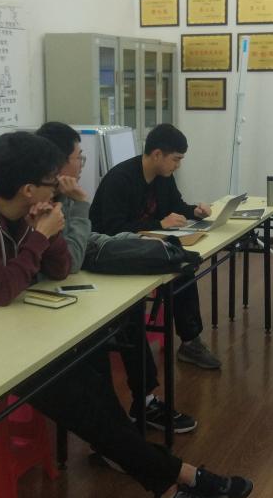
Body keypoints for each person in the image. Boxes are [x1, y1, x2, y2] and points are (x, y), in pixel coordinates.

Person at [0, 131, 252, 498]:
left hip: (22, 335)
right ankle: (179, 481)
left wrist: (52, 229)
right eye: (53, 182)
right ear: (29, 189)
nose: (59, 187)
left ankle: (169, 481)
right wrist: (39, 236)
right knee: (88, 409)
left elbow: (61, 269)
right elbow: (2, 289)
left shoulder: (21, 213)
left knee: (97, 384)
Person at [35, 121, 197, 434]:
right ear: (56, 164)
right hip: (49, 297)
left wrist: (188, 215)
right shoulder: (51, 199)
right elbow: (79, 252)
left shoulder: (61, 195)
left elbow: (85, 242)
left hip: (69, 280)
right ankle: (111, 426)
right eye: (79, 157)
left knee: (138, 306)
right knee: (103, 332)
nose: (82, 164)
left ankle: (143, 401)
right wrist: (81, 205)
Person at [89, 123, 221, 370]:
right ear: (157, 154)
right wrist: (159, 224)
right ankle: (188, 342)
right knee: (180, 266)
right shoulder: (120, 178)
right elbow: (112, 228)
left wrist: (194, 211)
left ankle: (190, 341)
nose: (177, 166)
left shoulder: (163, 178)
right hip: (111, 251)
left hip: (143, 246)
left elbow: (176, 206)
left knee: (183, 266)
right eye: (176, 159)